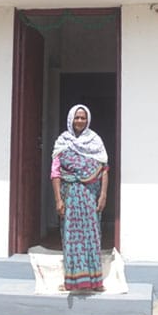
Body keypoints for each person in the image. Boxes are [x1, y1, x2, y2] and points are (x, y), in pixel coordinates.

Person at [50, 104, 109, 291]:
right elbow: (55, 173)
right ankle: (72, 281)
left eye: (83, 118)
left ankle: (95, 282)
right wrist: (58, 200)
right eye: (77, 117)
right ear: (71, 119)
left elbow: (104, 169)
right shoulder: (63, 141)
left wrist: (103, 195)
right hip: (69, 196)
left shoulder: (95, 141)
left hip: (90, 195)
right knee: (71, 238)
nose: (80, 121)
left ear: (88, 120)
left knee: (92, 236)